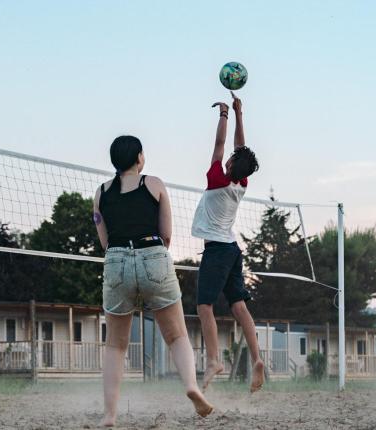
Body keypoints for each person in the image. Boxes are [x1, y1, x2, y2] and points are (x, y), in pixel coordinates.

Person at [93, 135, 213, 426]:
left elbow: (104, 240)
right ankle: (191, 386)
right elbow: (167, 233)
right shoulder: (154, 184)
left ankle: (110, 415)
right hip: (153, 253)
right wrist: (153, 262)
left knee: (115, 346)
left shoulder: (101, 193)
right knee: (177, 335)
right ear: (139, 158)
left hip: (117, 258)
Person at [191, 92, 263, 392]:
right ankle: (257, 358)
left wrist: (224, 114)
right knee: (239, 306)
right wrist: (239, 114)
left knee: (204, 306)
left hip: (219, 249)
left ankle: (213, 360)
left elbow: (222, 145)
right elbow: (239, 148)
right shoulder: (241, 183)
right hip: (233, 250)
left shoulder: (217, 178)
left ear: (231, 164)